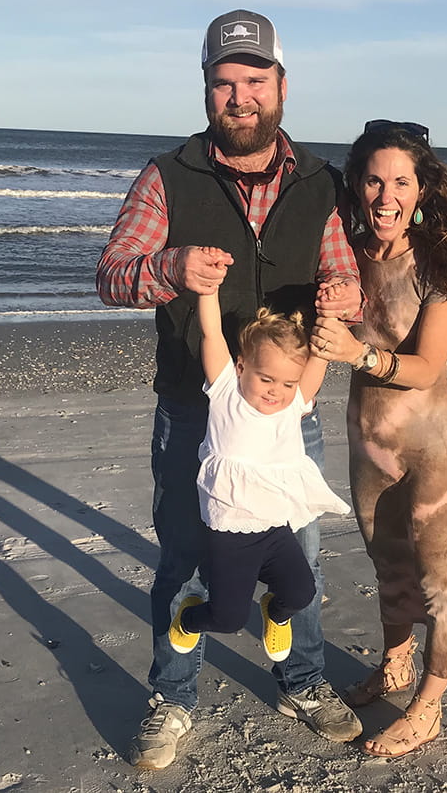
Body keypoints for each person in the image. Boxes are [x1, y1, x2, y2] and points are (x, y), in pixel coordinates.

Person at [96, 9, 362, 770]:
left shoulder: (320, 182)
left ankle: (303, 680)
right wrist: (168, 268)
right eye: (224, 83)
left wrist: (348, 298)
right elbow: (112, 273)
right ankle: (173, 696)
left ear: (281, 85)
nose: (239, 97)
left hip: (286, 411)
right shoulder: (167, 175)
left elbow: (350, 282)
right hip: (193, 407)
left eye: (254, 80)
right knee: (183, 555)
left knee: (299, 550)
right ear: (207, 89)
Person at [312, 120, 447, 758]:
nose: (386, 196)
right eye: (373, 179)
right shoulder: (346, 251)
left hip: (433, 453)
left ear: (423, 189)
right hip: (368, 447)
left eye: (401, 181)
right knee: (385, 563)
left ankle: (428, 704)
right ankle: (394, 664)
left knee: (440, 582)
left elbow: (424, 366)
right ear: (357, 184)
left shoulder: (439, 262)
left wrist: (357, 354)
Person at [167, 257, 350, 665]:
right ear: (241, 366)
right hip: (229, 533)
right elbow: (212, 333)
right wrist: (208, 290)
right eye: (266, 379)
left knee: (301, 592)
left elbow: (318, 358)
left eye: (286, 383)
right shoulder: (226, 392)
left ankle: (275, 611)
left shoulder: (293, 406)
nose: (276, 391)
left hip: (274, 529)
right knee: (228, 617)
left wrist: (331, 315)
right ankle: (190, 617)